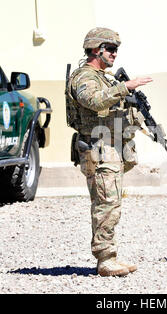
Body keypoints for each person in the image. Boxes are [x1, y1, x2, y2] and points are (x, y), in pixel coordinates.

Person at [67, 27, 152, 276]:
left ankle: (110, 255)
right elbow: (94, 101)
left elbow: (110, 108)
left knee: (112, 203)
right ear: (96, 50)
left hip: (110, 148)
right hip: (97, 149)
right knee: (106, 204)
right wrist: (125, 87)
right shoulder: (84, 77)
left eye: (116, 50)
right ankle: (105, 259)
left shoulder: (103, 77)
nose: (115, 54)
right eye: (111, 49)